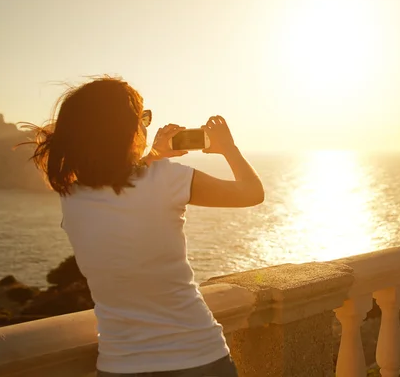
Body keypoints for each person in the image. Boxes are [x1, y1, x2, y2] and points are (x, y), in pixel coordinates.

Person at [22, 77, 264, 377]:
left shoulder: (71, 195)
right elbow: (252, 193)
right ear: (128, 131)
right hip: (198, 357)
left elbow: (119, 187)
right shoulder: (169, 179)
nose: (146, 126)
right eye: (143, 118)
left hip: (119, 364)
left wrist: (154, 155)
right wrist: (228, 148)